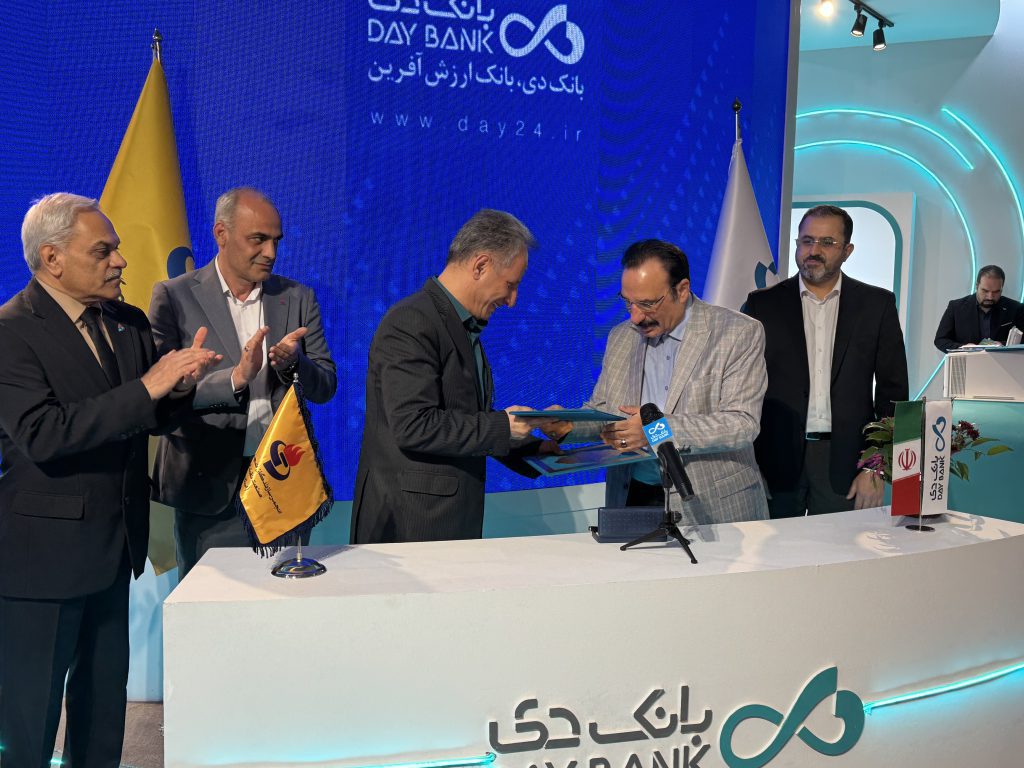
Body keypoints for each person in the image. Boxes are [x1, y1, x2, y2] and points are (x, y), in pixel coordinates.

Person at [0, 194, 216, 767]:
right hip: (42, 561)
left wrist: (183, 386)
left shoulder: (127, 321)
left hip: (115, 547)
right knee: (30, 720)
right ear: (52, 258)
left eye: (117, 248)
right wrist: (149, 386)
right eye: (103, 250)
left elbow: (147, 415)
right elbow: (44, 434)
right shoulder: (10, 332)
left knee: (102, 714)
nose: (120, 260)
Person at [149, 187, 336, 577]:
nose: (270, 252)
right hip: (209, 486)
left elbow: (326, 387)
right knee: (210, 606)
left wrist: (295, 364)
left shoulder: (298, 297)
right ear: (221, 234)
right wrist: (235, 379)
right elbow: (160, 396)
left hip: (281, 480)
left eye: (276, 241)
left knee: (284, 601)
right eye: (258, 239)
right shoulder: (174, 297)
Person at [351, 209, 546, 543]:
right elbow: (414, 425)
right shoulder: (411, 322)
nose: (513, 301)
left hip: (448, 524)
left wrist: (538, 446)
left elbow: (464, 420)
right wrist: (504, 426)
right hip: (411, 526)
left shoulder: (461, 326)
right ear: (480, 265)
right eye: (510, 285)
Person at [543, 239, 770, 526]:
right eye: (628, 302)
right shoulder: (621, 337)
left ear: (682, 290)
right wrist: (568, 427)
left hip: (711, 504)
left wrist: (655, 430)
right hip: (633, 495)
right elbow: (605, 412)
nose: (635, 317)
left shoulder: (738, 332)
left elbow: (741, 424)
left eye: (647, 304)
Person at [744, 204, 909, 517]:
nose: (814, 251)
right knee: (776, 547)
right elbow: (740, 388)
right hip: (774, 464)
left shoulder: (877, 305)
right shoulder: (761, 305)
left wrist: (876, 466)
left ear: (847, 250)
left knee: (841, 548)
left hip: (848, 463)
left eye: (827, 243)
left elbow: (894, 394)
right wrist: (750, 465)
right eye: (807, 241)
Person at [933, 265, 1024, 352]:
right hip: (968, 361)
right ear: (977, 286)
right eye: (985, 291)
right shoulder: (956, 307)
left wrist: (1002, 345)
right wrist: (963, 348)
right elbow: (941, 340)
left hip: (1004, 361)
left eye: (996, 292)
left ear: (1002, 288)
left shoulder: (1016, 308)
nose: (990, 297)